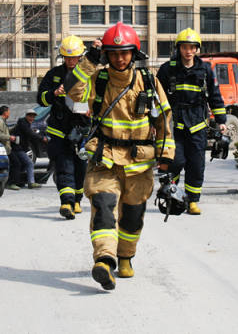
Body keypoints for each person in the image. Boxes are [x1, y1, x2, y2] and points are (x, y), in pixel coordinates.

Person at [64, 22, 174, 290]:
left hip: (140, 163)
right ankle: (104, 259)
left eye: (124, 53)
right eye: (113, 53)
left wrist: (167, 157)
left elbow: (164, 122)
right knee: (103, 206)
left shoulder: (149, 82)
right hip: (105, 158)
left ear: (134, 53)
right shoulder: (98, 80)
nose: (119, 58)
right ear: (107, 55)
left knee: (132, 217)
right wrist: (90, 59)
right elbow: (72, 89)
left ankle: (125, 257)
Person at [156, 28, 227, 215]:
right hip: (175, 125)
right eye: (185, 47)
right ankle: (174, 193)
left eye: (192, 47)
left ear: (197, 49)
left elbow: (215, 96)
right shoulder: (167, 69)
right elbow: (156, 96)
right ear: (179, 48)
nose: (188, 51)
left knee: (196, 165)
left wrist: (221, 120)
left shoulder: (205, 70)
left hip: (198, 125)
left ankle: (193, 201)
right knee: (175, 161)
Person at [37, 36, 91, 220]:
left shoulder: (89, 74)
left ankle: (77, 198)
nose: (70, 61)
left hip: (82, 129)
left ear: (81, 56)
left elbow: (98, 97)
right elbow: (41, 98)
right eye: (67, 58)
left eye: (74, 57)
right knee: (63, 165)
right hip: (58, 129)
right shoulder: (54, 74)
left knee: (80, 166)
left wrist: (93, 110)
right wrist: (53, 93)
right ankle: (66, 202)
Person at [11, 110, 47, 189]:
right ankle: (31, 182)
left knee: (23, 164)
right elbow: (29, 133)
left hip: (20, 148)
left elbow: (29, 133)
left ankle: (20, 181)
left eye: (33, 117)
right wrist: (42, 138)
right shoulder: (23, 123)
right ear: (26, 116)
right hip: (17, 148)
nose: (32, 118)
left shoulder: (26, 124)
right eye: (30, 116)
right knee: (29, 163)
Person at [0, 105, 21, 190]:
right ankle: (11, 183)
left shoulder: (3, 121)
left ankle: (9, 182)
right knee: (16, 163)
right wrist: (9, 138)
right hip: (3, 149)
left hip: (7, 149)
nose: (9, 113)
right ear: (5, 112)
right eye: (8, 112)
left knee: (13, 164)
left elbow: (5, 132)